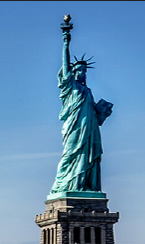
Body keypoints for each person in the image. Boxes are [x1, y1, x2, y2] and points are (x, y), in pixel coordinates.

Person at [49, 18, 113, 196]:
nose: (83, 73)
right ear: (73, 73)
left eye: (85, 71)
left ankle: (86, 187)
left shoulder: (88, 91)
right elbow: (65, 65)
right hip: (75, 127)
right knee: (70, 154)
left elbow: (96, 115)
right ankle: (65, 184)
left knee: (89, 156)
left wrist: (103, 112)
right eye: (79, 71)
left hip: (90, 128)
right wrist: (65, 42)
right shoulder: (71, 87)